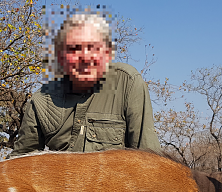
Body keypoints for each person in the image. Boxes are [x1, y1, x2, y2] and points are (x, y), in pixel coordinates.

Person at [10, 12, 160, 156]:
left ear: (107, 53)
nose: (85, 58)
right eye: (74, 48)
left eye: (93, 47)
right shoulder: (41, 100)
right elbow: (21, 162)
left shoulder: (128, 82)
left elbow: (148, 161)